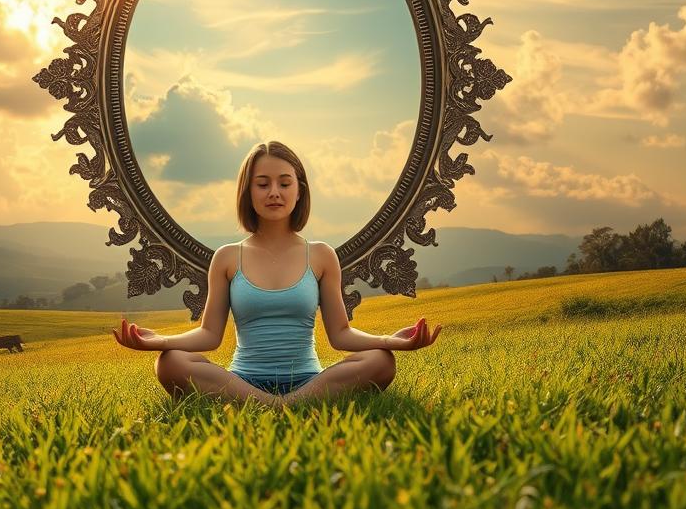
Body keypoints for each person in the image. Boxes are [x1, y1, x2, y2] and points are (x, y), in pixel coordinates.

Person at [112, 140, 442, 407]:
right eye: (263, 184)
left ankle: (282, 404)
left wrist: (391, 342)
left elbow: (341, 334)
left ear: (299, 191)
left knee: (381, 362)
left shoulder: (322, 255)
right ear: (248, 191)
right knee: (169, 363)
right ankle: (277, 405)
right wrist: (159, 342)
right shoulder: (227, 258)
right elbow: (209, 335)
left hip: (310, 380)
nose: (274, 192)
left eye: (284, 183)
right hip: (242, 382)